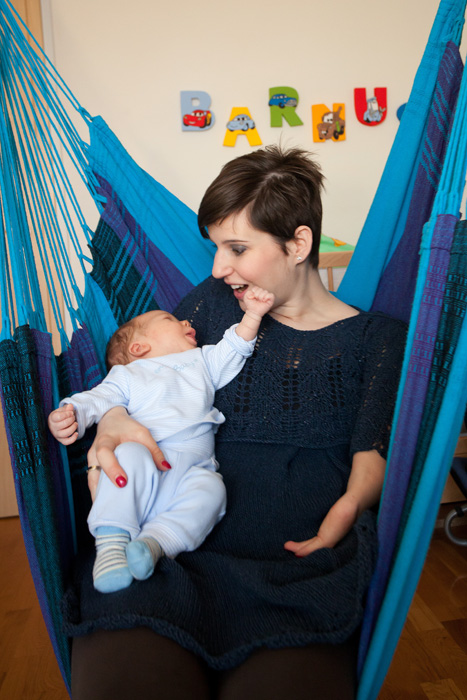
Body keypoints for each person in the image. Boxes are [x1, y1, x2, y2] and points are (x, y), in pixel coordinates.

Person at [62, 145, 407, 700]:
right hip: (167, 553)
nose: (218, 268)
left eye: (237, 248)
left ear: (298, 244)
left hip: (298, 574)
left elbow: (375, 447)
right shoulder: (214, 306)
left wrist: (350, 507)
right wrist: (114, 419)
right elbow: (143, 372)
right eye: (216, 247)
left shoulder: (377, 339)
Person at [48, 288, 274, 593]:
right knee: (128, 455)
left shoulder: (201, 360)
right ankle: (111, 544)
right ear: (139, 348)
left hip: (193, 471)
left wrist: (253, 315)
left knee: (213, 490)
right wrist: (70, 412)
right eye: (170, 320)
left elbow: (234, 348)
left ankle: (154, 543)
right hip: (145, 466)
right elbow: (97, 399)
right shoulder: (128, 375)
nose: (185, 322)